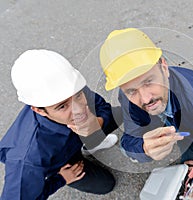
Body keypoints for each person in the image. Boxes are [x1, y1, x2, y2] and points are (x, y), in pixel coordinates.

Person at [0, 50, 119, 199]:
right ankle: (86, 146)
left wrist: (97, 125)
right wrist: (61, 179)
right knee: (106, 184)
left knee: (118, 115)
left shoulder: (68, 89)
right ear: (39, 110)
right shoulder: (28, 160)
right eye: (62, 106)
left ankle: (90, 141)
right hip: (61, 163)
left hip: (73, 141)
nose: (78, 109)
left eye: (78, 96)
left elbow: (103, 108)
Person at [99, 28, 193, 163]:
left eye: (149, 82)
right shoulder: (127, 97)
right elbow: (128, 140)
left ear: (164, 67)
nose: (145, 99)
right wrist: (144, 148)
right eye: (132, 91)